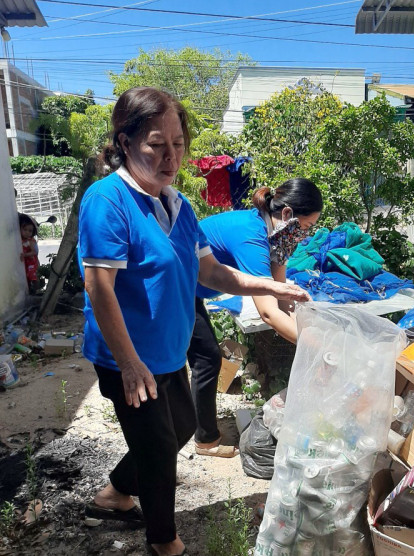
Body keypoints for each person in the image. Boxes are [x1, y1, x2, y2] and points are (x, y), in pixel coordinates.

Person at [78, 87, 309, 556]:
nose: (171, 156)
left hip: (166, 350)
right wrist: (128, 363)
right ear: (125, 143)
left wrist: (273, 286)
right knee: (160, 452)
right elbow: (98, 288)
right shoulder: (108, 201)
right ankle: (166, 544)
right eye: (156, 144)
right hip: (127, 355)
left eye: (178, 144)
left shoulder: (178, 205)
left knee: (182, 427)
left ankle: (115, 494)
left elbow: (209, 271)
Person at [188, 178, 322, 458]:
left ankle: (192, 425)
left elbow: (281, 294)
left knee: (203, 358)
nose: (306, 236)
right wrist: (320, 346)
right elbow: (268, 312)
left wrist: (306, 324)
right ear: (287, 215)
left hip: (193, 288)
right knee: (206, 359)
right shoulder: (251, 236)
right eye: (307, 227)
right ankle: (205, 440)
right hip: (176, 287)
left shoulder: (278, 236)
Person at [18, 213, 40, 293]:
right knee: (27, 276)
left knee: (32, 276)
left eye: (30, 231)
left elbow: (34, 252)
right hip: (26, 262)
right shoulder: (21, 240)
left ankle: (36, 289)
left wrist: (25, 255)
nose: (27, 232)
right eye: (25, 230)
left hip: (31, 262)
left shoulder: (30, 241)